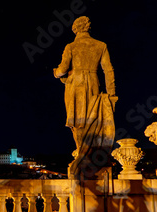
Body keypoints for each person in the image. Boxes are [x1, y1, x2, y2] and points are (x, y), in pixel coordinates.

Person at [53, 17, 117, 177]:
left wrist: (56, 72)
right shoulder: (100, 45)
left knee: (78, 123)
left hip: (75, 86)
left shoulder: (71, 46)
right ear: (88, 27)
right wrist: (111, 94)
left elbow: (62, 69)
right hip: (93, 83)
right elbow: (108, 71)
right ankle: (91, 155)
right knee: (93, 120)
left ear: (75, 29)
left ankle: (83, 155)